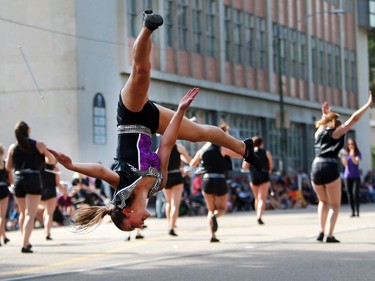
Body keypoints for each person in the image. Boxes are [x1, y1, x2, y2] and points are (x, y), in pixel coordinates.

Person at [311, 92, 372, 243]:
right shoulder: (336, 133)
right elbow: (354, 119)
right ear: (335, 123)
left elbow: (325, 123)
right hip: (329, 165)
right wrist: (367, 105)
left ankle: (321, 231)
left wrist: (325, 114)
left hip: (315, 166)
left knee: (322, 202)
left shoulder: (318, 133)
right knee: (335, 205)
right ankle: (329, 235)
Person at [5, 121, 56, 253]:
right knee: (30, 214)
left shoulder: (13, 147)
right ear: (29, 130)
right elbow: (52, 160)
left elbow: (8, 167)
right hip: (33, 178)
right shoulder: (39, 144)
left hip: (18, 180)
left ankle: (24, 238)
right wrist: (42, 159)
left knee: (23, 212)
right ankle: (25, 243)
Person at [190, 126, 243, 243]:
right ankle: (216, 216)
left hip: (207, 179)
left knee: (210, 209)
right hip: (219, 179)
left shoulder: (202, 150)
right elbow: (240, 153)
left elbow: (192, 164)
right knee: (222, 208)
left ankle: (212, 235)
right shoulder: (222, 148)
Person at [242, 136, 273, 225]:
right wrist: (268, 171)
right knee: (262, 198)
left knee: (256, 198)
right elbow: (270, 166)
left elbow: (244, 166)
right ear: (261, 143)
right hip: (263, 175)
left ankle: (257, 215)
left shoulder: (250, 153)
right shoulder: (266, 152)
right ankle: (260, 216)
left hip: (253, 175)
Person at [163, 143, 191, 236]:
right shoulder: (178, 146)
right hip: (176, 175)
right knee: (175, 204)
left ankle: (169, 224)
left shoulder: (161, 147)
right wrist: (184, 169)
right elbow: (189, 160)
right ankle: (172, 227)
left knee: (168, 202)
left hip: (166, 177)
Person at [41, 161, 64, 240]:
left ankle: (45, 229)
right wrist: (63, 191)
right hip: (51, 191)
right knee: (49, 213)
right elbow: (58, 183)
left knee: (46, 210)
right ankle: (47, 232)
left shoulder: (40, 167)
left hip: (41, 191)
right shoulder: (55, 168)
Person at [341, 137, 362, 217]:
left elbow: (356, 162)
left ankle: (357, 211)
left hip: (356, 176)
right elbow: (345, 164)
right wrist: (344, 157)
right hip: (347, 176)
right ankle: (353, 211)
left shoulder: (357, 153)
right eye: (349, 144)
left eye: (352, 144)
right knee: (349, 194)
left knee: (355, 194)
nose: (350, 146)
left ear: (355, 145)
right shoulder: (346, 154)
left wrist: (352, 155)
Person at [0, 144, 13, 246]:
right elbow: (11, 180)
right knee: (2, 216)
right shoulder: (5, 164)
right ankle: (3, 236)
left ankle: (3, 235)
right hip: (3, 189)